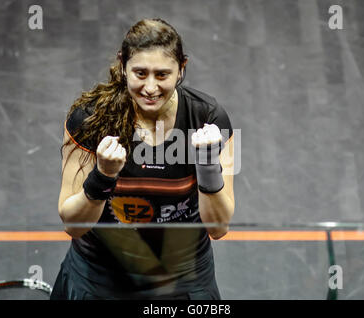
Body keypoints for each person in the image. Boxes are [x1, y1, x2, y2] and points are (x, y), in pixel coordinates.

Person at [50, 18, 235, 300]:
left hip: (182, 281)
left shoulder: (210, 119)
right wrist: (102, 176)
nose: (150, 87)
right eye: (140, 73)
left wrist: (208, 164)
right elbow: (73, 225)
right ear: (123, 65)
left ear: (181, 69)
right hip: (99, 278)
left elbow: (219, 228)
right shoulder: (89, 119)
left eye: (162, 75)